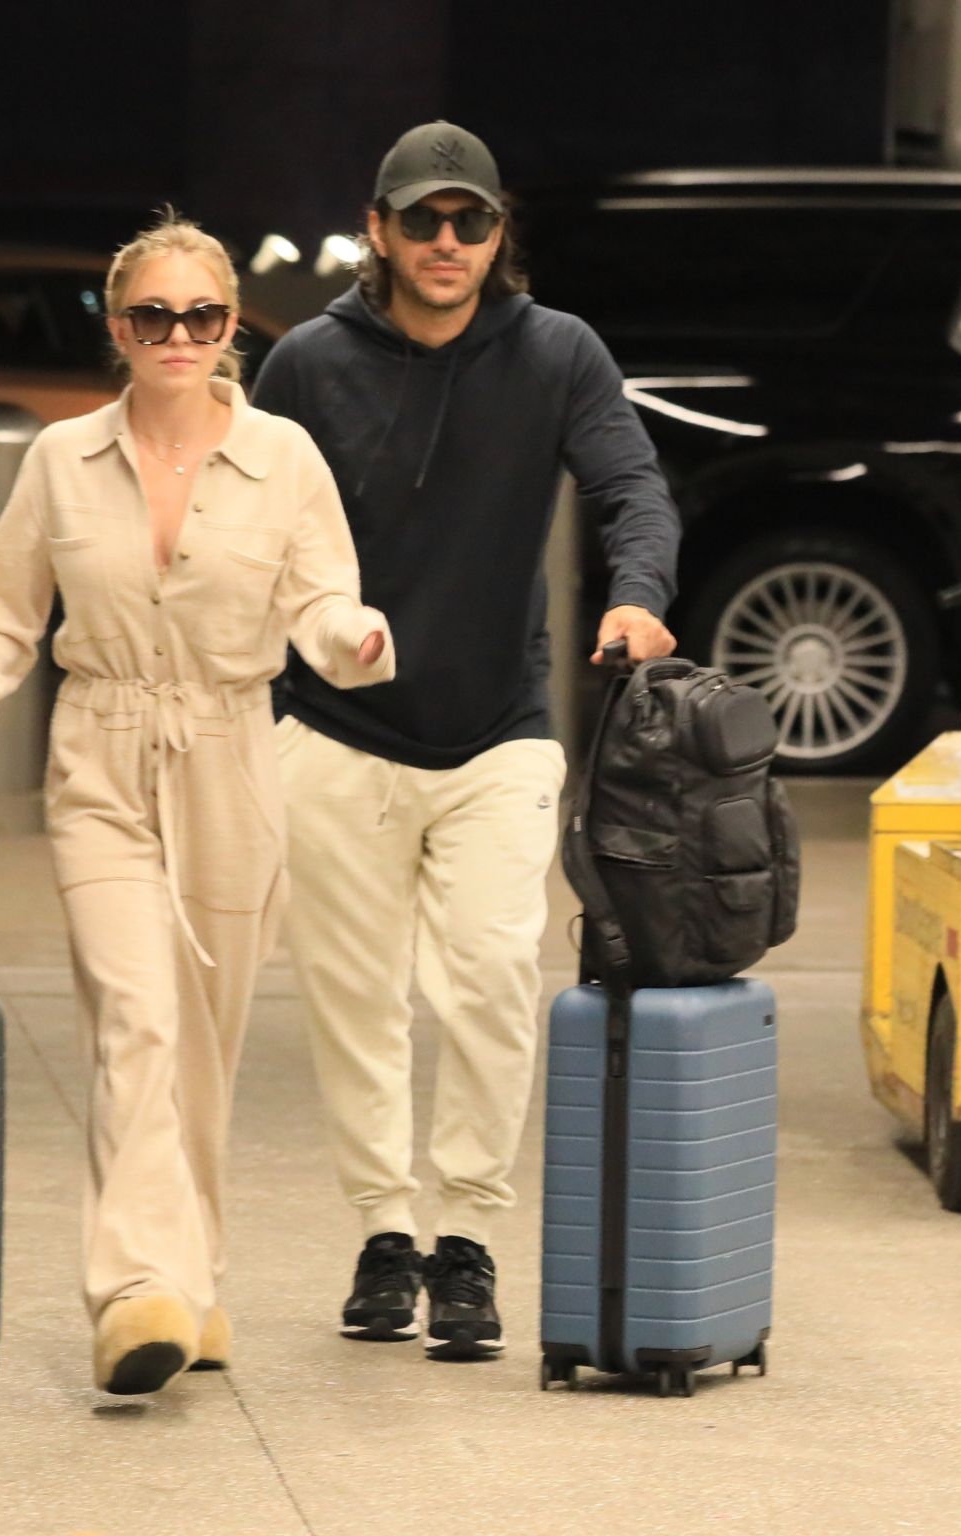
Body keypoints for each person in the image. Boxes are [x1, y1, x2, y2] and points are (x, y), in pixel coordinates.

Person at [0, 213, 395, 1397]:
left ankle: (197, 1282)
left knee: (203, 1048)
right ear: (117, 329)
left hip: (233, 756)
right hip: (102, 753)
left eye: (199, 316)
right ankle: (136, 1289)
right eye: (150, 316)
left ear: (230, 328)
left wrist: (352, 638)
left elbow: (321, 599)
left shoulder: (283, 456)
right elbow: (4, 613)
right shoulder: (58, 459)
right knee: (133, 1021)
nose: (175, 336)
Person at [252, 120, 680, 1359]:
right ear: (376, 230)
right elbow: (251, 528)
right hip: (333, 729)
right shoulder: (304, 366)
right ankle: (386, 1235)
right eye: (423, 221)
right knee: (355, 998)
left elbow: (629, 486)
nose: (448, 244)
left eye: (471, 222)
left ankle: (470, 1242)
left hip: (500, 726)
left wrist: (637, 590)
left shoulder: (557, 353)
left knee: (491, 978)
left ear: (500, 236)